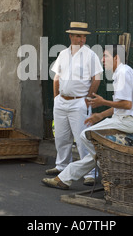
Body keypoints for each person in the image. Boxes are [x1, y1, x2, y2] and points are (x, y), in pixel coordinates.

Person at [42, 44, 133, 189]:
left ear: (116, 58)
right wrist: (100, 115)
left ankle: (106, 165)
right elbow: (121, 105)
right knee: (96, 151)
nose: (102, 59)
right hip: (125, 119)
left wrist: (103, 102)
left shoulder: (122, 73)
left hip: (129, 121)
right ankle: (63, 179)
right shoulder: (123, 71)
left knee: (86, 135)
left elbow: (127, 105)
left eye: (106, 56)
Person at [46, 22, 103, 186]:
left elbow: (96, 79)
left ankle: (90, 173)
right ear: (70, 36)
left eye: (84, 36)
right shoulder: (63, 54)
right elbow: (57, 77)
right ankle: (61, 166)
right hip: (62, 101)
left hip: (79, 102)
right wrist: (56, 97)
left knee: (82, 138)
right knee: (61, 137)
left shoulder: (90, 55)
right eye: (78, 35)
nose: (82, 39)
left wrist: (87, 99)